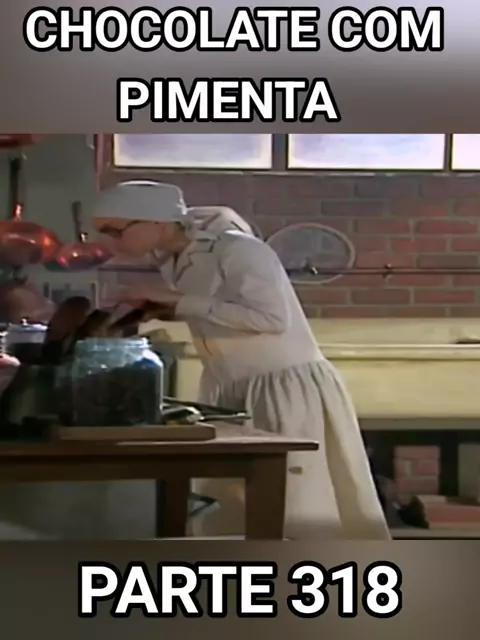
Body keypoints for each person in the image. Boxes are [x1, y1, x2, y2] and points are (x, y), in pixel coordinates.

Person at [92, 180, 390, 540]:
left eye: (115, 230)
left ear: (154, 220)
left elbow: (270, 319)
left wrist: (181, 301)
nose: (109, 241)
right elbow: (223, 311)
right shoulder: (171, 257)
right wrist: (167, 310)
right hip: (228, 386)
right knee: (230, 505)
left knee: (297, 504)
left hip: (282, 388)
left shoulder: (239, 249)